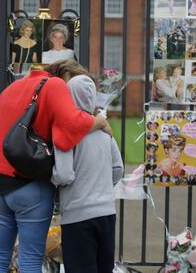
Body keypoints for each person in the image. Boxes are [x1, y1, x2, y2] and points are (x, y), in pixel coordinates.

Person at [0, 60, 111, 272]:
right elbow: (71, 125)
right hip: (29, 185)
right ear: (67, 78)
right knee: (30, 260)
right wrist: (100, 122)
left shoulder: (11, 88)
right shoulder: (55, 85)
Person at [51, 74, 124, 273]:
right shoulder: (104, 132)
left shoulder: (66, 131)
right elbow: (118, 169)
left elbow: (64, 175)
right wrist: (101, 186)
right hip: (106, 212)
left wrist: (51, 179)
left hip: (77, 216)